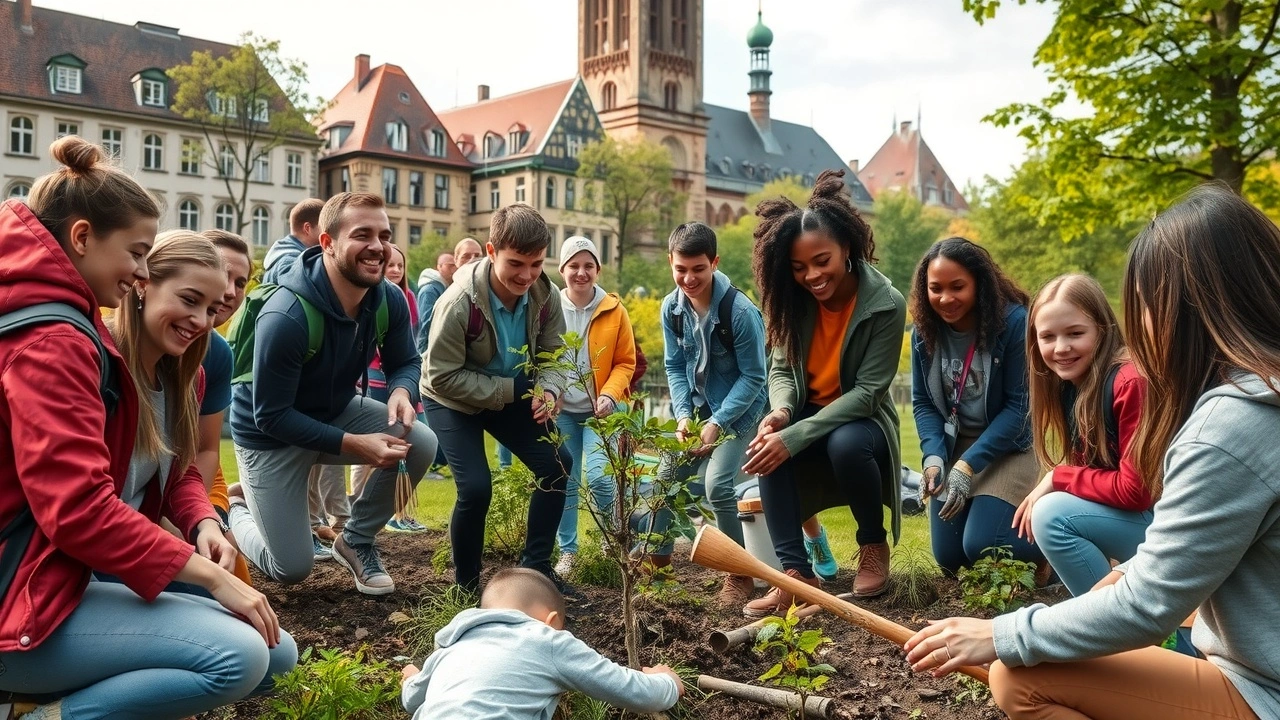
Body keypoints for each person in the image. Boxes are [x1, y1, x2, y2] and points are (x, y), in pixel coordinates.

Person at [906, 184, 1280, 720]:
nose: (1141, 328)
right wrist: (1119, 579)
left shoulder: (1228, 427)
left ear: (1188, 311)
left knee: (1017, 677)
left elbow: (1150, 605)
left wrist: (1002, 632)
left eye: (1145, 307)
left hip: (1261, 688)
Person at [0, 137, 293, 719]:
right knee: (238, 656)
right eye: (136, 255)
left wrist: (202, 519)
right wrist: (212, 579)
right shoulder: (66, 344)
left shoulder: (168, 366)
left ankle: (69, 694)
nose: (205, 319)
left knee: (273, 653)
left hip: (65, 571)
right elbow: (80, 510)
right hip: (26, 590)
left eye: (213, 308)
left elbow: (178, 466)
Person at [228, 192, 438, 596]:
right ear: (327, 243)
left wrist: (400, 390)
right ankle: (237, 508)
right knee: (289, 568)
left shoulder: (388, 299)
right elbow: (270, 416)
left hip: (334, 411)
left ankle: (355, 540)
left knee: (421, 441)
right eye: (363, 235)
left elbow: (407, 362)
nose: (378, 247)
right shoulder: (286, 314)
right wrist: (354, 444)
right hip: (270, 438)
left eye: (384, 235)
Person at [742, 169, 906, 616]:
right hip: (806, 411)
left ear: (846, 249)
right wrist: (779, 414)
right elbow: (780, 368)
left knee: (845, 441)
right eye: (799, 268)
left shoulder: (886, 303)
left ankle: (872, 544)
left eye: (822, 261)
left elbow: (869, 393)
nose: (811, 276)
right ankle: (795, 575)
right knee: (766, 448)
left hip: (862, 419)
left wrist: (794, 435)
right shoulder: (790, 301)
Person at [422, 204, 573, 594]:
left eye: (537, 263)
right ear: (491, 252)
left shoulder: (546, 295)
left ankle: (536, 570)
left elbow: (555, 354)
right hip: (452, 399)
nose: (527, 275)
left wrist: (551, 388)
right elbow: (441, 374)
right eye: (516, 263)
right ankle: (467, 589)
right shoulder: (458, 303)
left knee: (557, 464)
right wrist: (512, 390)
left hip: (511, 392)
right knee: (475, 488)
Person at [1012, 274, 1155, 597]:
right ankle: (1111, 627)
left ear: (1102, 331)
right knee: (1055, 509)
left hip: (1170, 528)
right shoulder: (1072, 388)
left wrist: (1057, 477)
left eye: (1075, 333)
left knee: (1051, 515)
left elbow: (1136, 492)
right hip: (1140, 523)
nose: (1061, 348)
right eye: (1048, 337)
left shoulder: (1129, 382)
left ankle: (1107, 630)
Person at [909, 237, 1043, 575]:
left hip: (1009, 445)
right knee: (951, 559)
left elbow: (1019, 408)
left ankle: (1049, 553)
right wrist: (935, 459)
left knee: (983, 544)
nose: (945, 298)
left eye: (958, 287)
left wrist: (967, 466)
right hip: (957, 446)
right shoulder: (923, 333)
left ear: (979, 284)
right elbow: (924, 403)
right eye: (935, 288)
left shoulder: (1013, 324)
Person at [400, 568, 681, 719]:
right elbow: (631, 691)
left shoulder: (452, 646)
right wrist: (667, 683)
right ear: (551, 620)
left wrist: (412, 678)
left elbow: (412, 701)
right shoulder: (547, 640)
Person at [660, 221, 768, 606]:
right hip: (701, 409)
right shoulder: (671, 309)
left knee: (718, 485)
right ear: (670, 263)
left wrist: (718, 422)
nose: (689, 279)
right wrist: (685, 415)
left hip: (742, 410)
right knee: (665, 479)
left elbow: (756, 376)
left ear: (714, 262)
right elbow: (674, 367)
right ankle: (655, 569)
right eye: (681, 269)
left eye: (698, 269)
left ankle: (739, 574)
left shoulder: (739, 311)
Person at [551, 237, 637, 576]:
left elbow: (625, 362)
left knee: (601, 477)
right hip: (564, 411)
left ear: (598, 270)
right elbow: (543, 356)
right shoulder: (549, 307)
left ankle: (612, 540)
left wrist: (611, 394)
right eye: (574, 266)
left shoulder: (614, 309)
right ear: (562, 270)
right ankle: (568, 551)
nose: (581, 272)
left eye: (588, 266)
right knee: (566, 479)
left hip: (602, 410)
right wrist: (549, 390)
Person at [350, 243, 427, 532]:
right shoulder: (363, 296)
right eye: (389, 264)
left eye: (399, 265)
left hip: (399, 385)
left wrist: (405, 386)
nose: (394, 269)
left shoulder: (407, 298)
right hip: (372, 381)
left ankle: (398, 513)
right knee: (368, 446)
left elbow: (409, 348)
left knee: (406, 442)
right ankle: (356, 508)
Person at [198, 228, 257, 584]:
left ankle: (233, 510)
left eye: (241, 281)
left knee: (231, 567)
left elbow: (205, 449)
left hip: (194, 477)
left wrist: (199, 515)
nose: (231, 291)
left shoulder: (218, 353)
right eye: (223, 275)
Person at [262, 198, 325, 284]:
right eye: (324, 228)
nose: (328, 234)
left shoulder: (281, 256)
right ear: (307, 228)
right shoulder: (292, 265)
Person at [416, 250, 458, 354]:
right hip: (428, 348)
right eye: (450, 266)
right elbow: (426, 323)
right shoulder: (430, 290)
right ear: (439, 267)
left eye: (455, 265)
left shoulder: (445, 287)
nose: (454, 269)